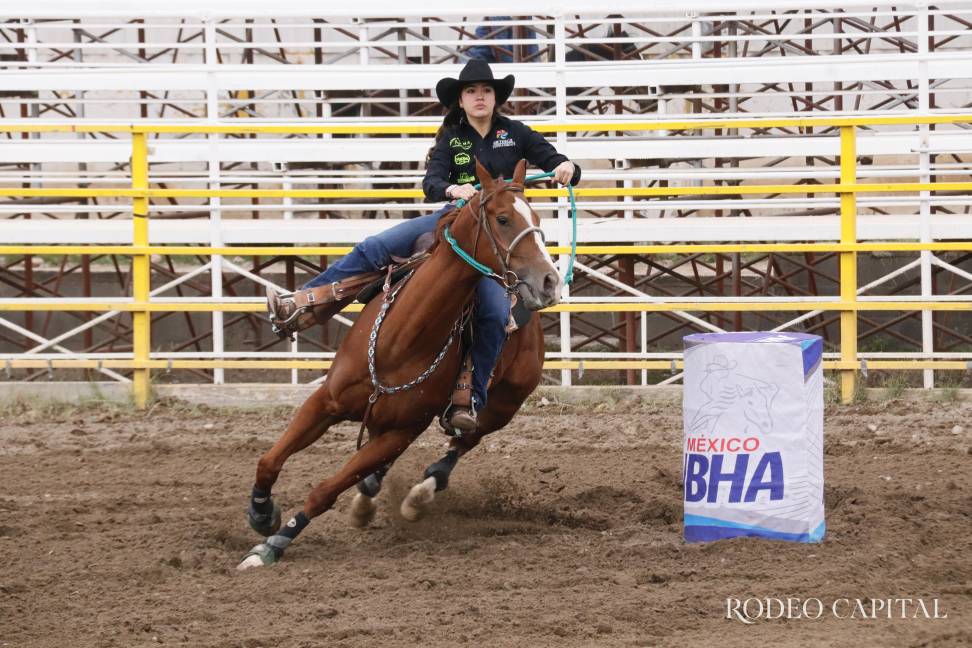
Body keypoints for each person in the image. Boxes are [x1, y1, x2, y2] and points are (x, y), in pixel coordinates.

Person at [267, 59, 581, 431]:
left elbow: (559, 162)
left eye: (486, 91)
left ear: (495, 98)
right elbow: (431, 182)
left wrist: (566, 166)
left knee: (495, 313)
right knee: (374, 247)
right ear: (461, 101)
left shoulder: (517, 133)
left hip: (497, 237)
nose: (479, 97)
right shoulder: (453, 138)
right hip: (455, 220)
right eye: (471, 91)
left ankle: (470, 398)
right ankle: (304, 301)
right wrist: (452, 188)